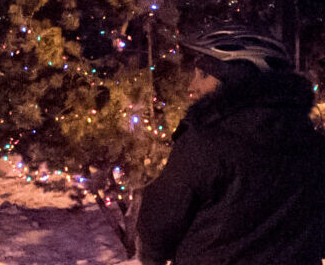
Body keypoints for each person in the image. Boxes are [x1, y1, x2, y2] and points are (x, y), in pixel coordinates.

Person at [138, 27, 325, 265]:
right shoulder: (314, 145)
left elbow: (157, 228)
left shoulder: (205, 144)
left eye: (203, 75)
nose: (191, 87)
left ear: (235, 78)